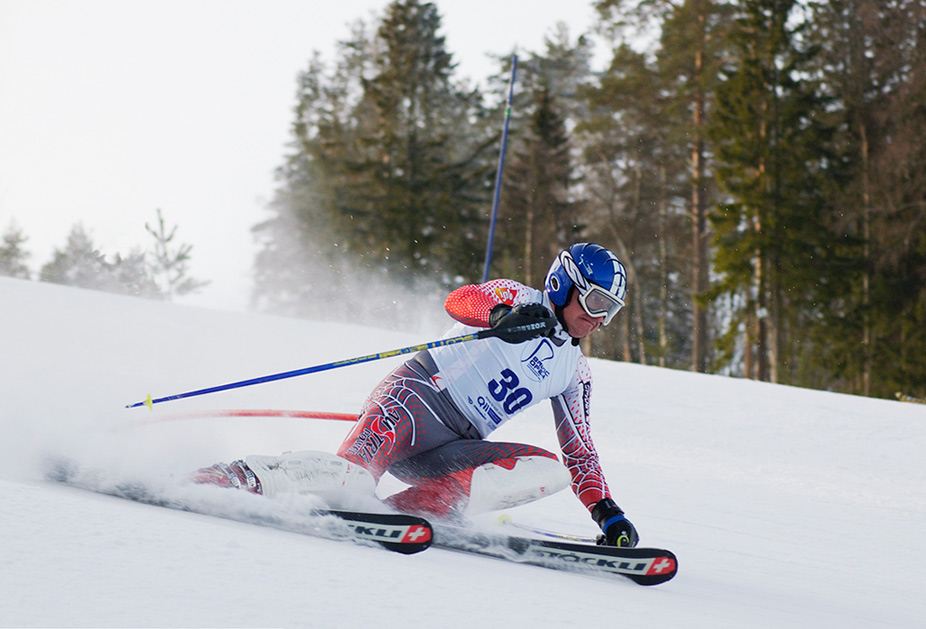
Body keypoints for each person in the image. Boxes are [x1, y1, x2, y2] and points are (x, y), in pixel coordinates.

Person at [193, 243, 639, 547]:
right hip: (412, 402)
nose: (600, 319)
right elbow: (461, 300)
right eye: (596, 303)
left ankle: (406, 511)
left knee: (548, 469)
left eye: (611, 311)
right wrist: (500, 316)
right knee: (349, 479)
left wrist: (607, 513)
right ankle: (234, 476)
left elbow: (580, 453)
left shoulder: (574, 373)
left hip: (450, 450)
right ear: (565, 285)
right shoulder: (517, 296)